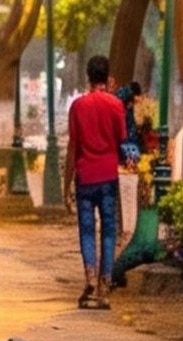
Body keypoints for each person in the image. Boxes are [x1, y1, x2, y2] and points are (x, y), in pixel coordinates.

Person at [63, 55, 127, 310]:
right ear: (107, 76)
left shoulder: (78, 107)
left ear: (88, 77)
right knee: (109, 230)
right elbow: (122, 140)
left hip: (85, 177)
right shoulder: (116, 105)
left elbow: (72, 147)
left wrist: (66, 182)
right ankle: (105, 284)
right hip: (109, 176)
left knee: (87, 230)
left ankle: (90, 276)